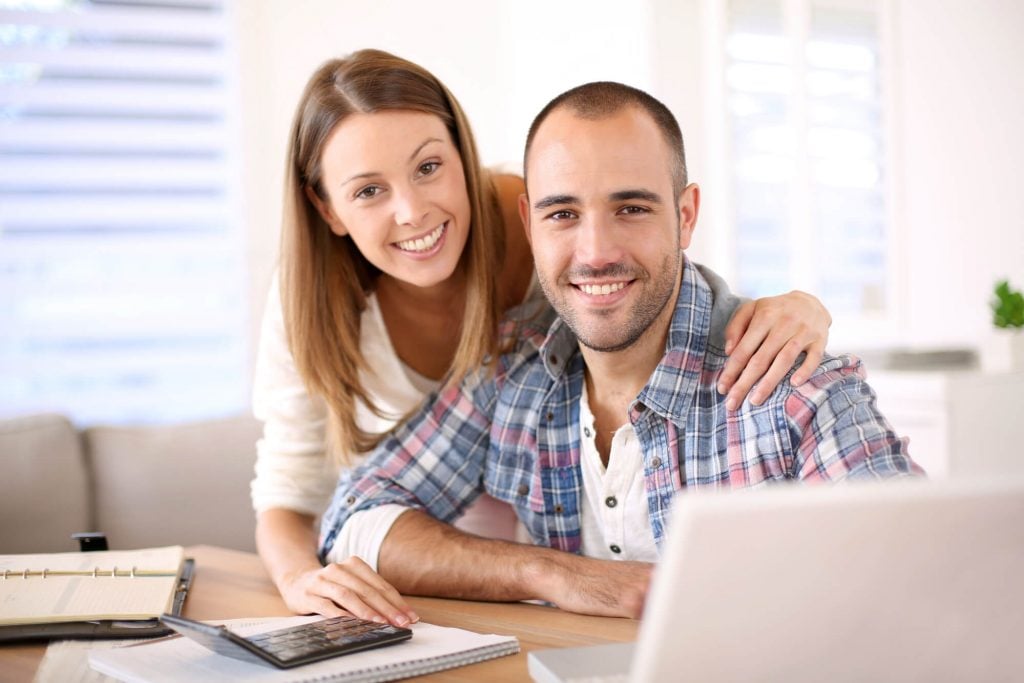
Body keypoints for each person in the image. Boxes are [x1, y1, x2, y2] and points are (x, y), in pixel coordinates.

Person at [252, 51, 834, 625]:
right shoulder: (317, 298)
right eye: (368, 191)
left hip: (528, 520)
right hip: (442, 545)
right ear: (326, 208)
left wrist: (796, 306)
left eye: (428, 167)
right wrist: (300, 578)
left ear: (462, 155)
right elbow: (300, 491)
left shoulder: (545, 230)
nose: (412, 211)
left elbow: (651, 279)